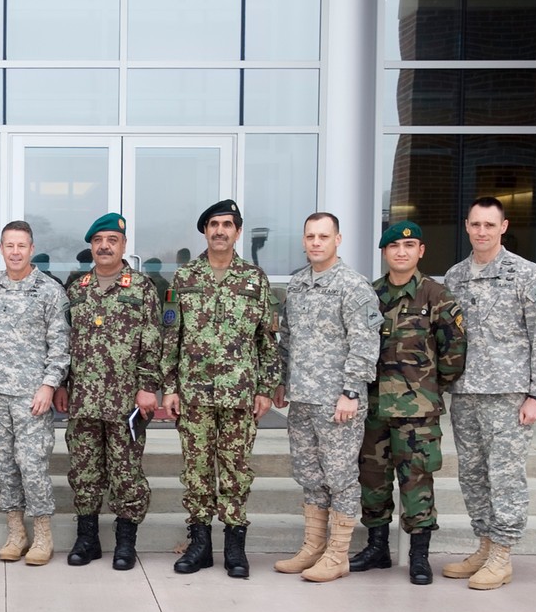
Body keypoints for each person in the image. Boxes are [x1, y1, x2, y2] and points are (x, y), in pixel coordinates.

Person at [441, 196, 536, 589]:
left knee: (506, 476)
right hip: (466, 394)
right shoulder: (455, 277)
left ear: (503, 227)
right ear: (466, 226)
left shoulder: (527, 276)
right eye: (475, 224)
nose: (482, 232)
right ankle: (484, 544)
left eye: (489, 225)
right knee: (473, 476)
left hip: (510, 396)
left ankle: (503, 555)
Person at [162, 200, 280, 578]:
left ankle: (234, 548)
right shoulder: (185, 278)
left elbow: (267, 339)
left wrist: (266, 387)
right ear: (204, 231)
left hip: (240, 394)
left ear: (238, 232)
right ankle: (199, 545)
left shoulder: (254, 279)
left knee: (235, 470)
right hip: (193, 393)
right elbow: (171, 338)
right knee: (196, 470)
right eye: (213, 224)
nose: (220, 230)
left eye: (227, 224)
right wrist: (169, 387)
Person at [349, 221, 466, 585]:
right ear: (384, 253)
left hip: (418, 412)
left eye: (410, 245)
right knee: (373, 480)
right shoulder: (370, 295)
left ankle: (418, 556)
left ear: (421, 251)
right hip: (373, 409)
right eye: (394, 247)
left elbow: (454, 352)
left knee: (417, 482)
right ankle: (378, 547)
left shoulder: (437, 296)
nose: (401, 252)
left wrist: (429, 387)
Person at [273, 212, 382, 583]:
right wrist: (283, 380)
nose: (316, 242)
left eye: (323, 236)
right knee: (309, 473)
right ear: (303, 241)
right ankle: (313, 547)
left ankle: (338, 554)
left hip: (339, 400)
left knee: (340, 476)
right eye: (310, 236)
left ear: (338, 239)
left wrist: (351, 390)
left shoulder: (354, 286)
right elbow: (287, 337)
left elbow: (366, 343)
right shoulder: (299, 283)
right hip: (303, 397)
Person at [54, 213, 161, 570]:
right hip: (83, 399)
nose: (104, 246)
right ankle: (87, 540)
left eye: (112, 240)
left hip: (126, 400)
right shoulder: (77, 288)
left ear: (124, 245)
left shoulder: (141, 288)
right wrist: (62, 385)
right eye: (98, 240)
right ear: (91, 246)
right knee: (84, 471)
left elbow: (152, 342)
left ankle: (125, 542)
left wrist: (148, 388)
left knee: (126, 472)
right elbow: (67, 342)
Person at [0, 220, 70, 565]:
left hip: (32, 395)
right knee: (4, 467)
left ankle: (43, 533)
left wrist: (49, 385)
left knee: (32, 464)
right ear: (1, 249)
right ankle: (16, 532)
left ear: (32, 249)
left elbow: (60, 344)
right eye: (9, 246)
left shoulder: (49, 291)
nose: (15, 252)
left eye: (22, 246)